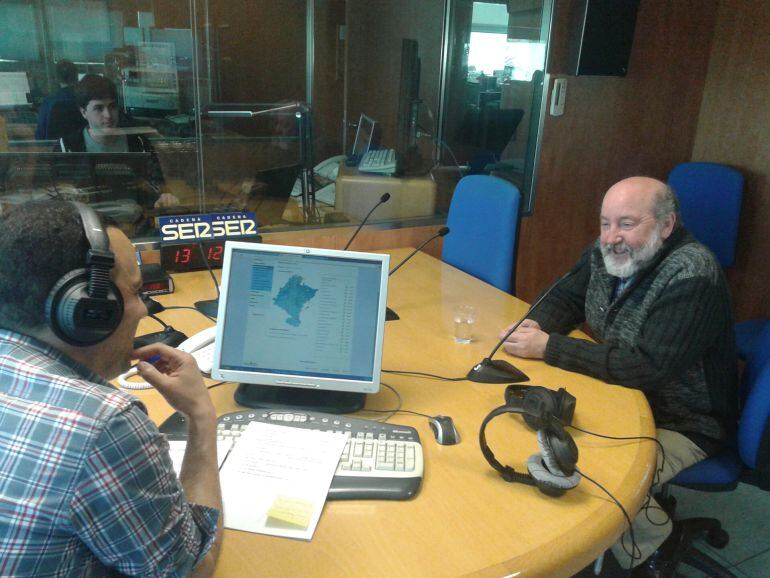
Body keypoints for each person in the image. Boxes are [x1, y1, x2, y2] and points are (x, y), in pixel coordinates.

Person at [500, 176, 738, 577]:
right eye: (605, 223)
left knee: (590, 472)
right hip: (622, 399)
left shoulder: (693, 274)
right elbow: (565, 298)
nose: (612, 237)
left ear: (666, 225)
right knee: (535, 437)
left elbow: (647, 366)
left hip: (686, 421)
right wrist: (529, 328)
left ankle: (658, 544)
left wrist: (550, 347)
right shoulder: (605, 253)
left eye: (627, 223)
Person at [0, 200, 222, 576]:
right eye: (135, 293)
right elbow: (190, 570)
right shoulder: (103, 425)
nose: (145, 310)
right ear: (89, 310)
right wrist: (201, 417)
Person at [35, 59, 80, 140]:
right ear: (76, 76)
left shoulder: (48, 102)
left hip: (55, 150)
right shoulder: (85, 99)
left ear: (57, 79)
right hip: (83, 149)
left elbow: (40, 137)